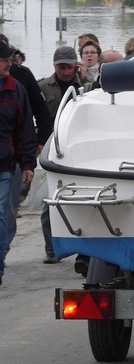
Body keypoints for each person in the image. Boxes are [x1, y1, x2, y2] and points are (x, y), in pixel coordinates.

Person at [38, 46, 88, 269]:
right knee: (49, 201)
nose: (66, 72)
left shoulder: (88, 87)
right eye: (61, 67)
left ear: (76, 65)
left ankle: (84, 252)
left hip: (80, 150)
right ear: (54, 66)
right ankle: (52, 249)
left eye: (69, 67)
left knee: (83, 201)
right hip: (51, 150)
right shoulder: (41, 87)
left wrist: (87, 79)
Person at [0, 41, 38, 285]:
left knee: (1, 215)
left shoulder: (16, 89)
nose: (9, 64)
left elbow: (25, 131)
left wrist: (27, 164)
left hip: (5, 166)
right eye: (4, 60)